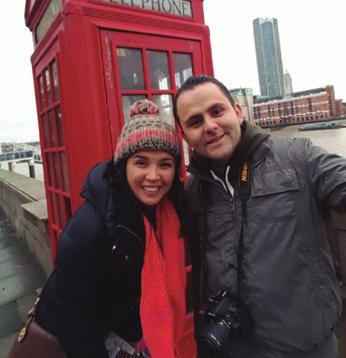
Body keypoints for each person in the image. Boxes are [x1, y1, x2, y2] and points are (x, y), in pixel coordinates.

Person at [173, 75, 346, 358]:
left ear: (238, 112)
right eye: (195, 121)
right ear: (185, 135)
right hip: (233, 345)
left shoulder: (297, 158)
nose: (210, 126)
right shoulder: (195, 188)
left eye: (217, 111)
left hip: (305, 344)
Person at [35, 99, 193, 358]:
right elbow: (74, 325)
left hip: (124, 334)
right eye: (141, 163)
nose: (153, 176)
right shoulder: (89, 229)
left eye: (165, 164)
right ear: (123, 166)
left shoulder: (166, 214)